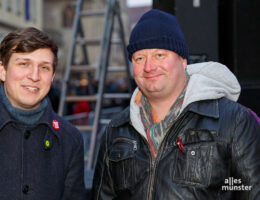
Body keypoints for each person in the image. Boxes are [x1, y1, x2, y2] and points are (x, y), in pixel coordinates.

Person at [92, 9, 260, 200]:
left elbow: (251, 192)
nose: (149, 67)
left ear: (182, 61)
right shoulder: (116, 131)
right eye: (139, 58)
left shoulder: (235, 122)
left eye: (159, 55)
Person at [0, 27, 85, 199]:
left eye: (44, 67)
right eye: (24, 64)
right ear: (2, 70)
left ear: (52, 76)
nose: (34, 76)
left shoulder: (70, 140)